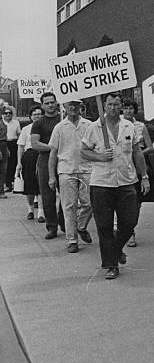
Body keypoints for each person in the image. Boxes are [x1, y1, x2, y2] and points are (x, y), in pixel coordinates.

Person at [81, 92, 149, 279]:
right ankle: (111, 264)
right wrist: (100, 156)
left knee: (129, 221)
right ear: (104, 105)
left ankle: (116, 249)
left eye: (116, 104)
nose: (113, 108)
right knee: (104, 225)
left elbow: (137, 152)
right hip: (102, 183)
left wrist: (144, 176)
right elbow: (84, 151)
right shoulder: (95, 127)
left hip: (127, 181)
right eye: (109, 104)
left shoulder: (129, 126)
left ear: (121, 106)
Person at [48, 99, 93, 254]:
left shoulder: (89, 125)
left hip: (87, 169)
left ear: (81, 106)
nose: (73, 107)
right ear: (65, 107)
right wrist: (51, 176)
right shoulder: (59, 127)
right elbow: (53, 153)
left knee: (90, 203)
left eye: (76, 104)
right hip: (66, 170)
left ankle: (81, 226)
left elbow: (96, 146)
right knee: (69, 206)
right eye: (69, 105)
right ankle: (72, 240)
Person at [122, 97, 154, 247]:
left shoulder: (140, 126)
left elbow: (150, 147)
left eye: (131, 108)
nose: (128, 111)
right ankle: (128, 231)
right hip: (124, 164)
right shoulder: (118, 124)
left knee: (137, 200)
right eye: (125, 108)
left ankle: (130, 229)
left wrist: (138, 154)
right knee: (125, 198)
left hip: (139, 163)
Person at [31, 92, 63, 239]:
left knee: (67, 193)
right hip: (45, 161)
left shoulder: (64, 118)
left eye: (52, 102)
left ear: (56, 102)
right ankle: (52, 227)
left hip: (63, 160)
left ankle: (64, 222)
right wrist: (53, 148)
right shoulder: (39, 123)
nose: (50, 105)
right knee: (47, 195)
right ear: (42, 105)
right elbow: (35, 144)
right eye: (47, 103)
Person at [16, 104, 43, 220]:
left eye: (39, 114)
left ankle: (41, 213)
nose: (37, 116)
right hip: (29, 156)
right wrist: (19, 163)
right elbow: (21, 147)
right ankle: (30, 209)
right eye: (34, 114)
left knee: (42, 184)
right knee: (29, 184)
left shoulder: (46, 127)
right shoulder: (26, 129)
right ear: (30, 117)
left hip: (42, 155)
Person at [2, 105, 21, 193]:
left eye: (10, 113)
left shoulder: (16, 122)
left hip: (14, 143)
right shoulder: (1, 123)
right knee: (5, 164)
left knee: (13, 163)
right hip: (4, 143)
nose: (8, 115)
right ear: (3, 114)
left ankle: (10, 183)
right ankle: (6, 183)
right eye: (6, 113)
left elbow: (19, 134)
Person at [0, 110, 9, 199]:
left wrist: (6, 149)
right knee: (1, 170)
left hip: (4, 145)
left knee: (3, 171)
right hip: (1, 146)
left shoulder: (2, 122)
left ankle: (1, 190)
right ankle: (1, 191)